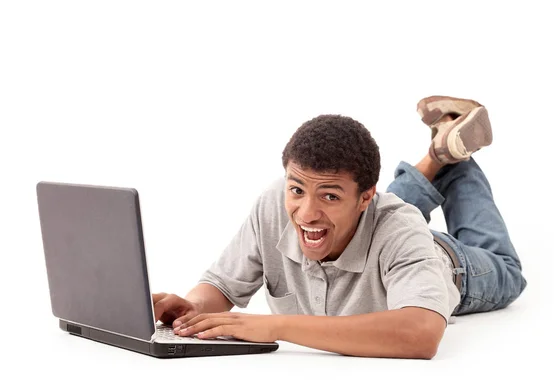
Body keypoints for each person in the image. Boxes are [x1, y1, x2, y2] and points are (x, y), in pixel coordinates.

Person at [152, 95, 527, 359]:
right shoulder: (275, 203)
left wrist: (275, 327)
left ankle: (452, 160)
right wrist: (193, 307)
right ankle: (434, 156)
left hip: (449, 263)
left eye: (328, 196)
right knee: (368, 216)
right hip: (375, 227)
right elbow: (221, 285)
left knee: (508, 271)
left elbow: (421, 334)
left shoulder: (398, 228)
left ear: (367, 198)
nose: (305, 213)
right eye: (296, 189)